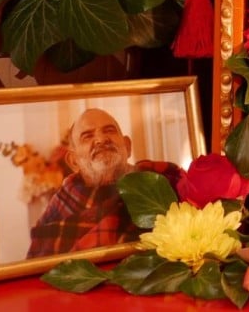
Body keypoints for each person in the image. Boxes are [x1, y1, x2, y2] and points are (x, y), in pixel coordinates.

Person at [26, 107, 175, 258]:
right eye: (87, 136)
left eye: (109, 131)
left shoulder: (164, 181)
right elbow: (39, 267)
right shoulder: (62, 204)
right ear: (74, 161)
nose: (101, 139)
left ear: (127, 146)